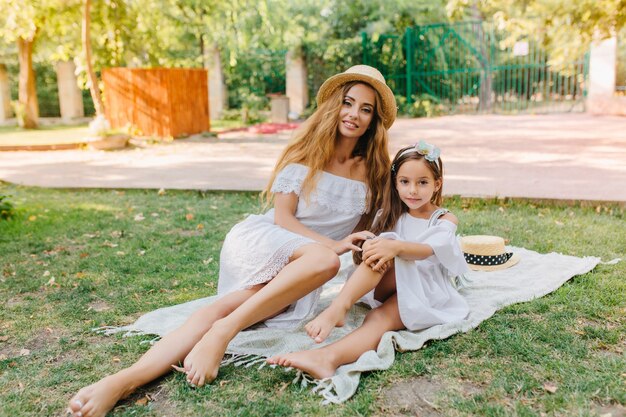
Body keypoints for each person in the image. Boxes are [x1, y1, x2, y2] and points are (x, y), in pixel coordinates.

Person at [67, 64, 397, 417]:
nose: (355, 115)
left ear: (374, 120)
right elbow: (284, 219)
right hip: (271, 241)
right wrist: (330, 246)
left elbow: (362, 231)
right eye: (349, 103)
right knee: (322, 262)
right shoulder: (307, 155)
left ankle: (123, 381)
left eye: (366, 109)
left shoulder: (374, 170)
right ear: (334, 104)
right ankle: (211, 338)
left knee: (225, 307)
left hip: (307, 268)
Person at [267, 141, 470, 379]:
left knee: (379, 318)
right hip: (389, 281)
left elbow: (426, 250)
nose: (413, 190)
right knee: (382, 250)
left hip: (424, 292)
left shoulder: (443, 218)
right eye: (405, 182)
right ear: (395, 183)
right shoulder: (392, 215)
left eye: (422, 182)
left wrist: (395, 246)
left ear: (437, 184)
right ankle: (339, 308)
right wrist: (374, 244)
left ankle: (327, 357)